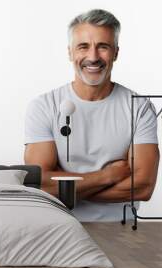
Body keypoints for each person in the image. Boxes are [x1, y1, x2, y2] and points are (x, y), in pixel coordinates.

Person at [24, 9, 159, 221]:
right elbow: (40, 184)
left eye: (103, 47)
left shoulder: (139, 108)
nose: (93, 57)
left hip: (120, 232)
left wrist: (67, 188)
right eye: (83, 46)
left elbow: (142, 187)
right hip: (58, 230)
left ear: (116, 52)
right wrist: (108, 175)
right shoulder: (43, 106)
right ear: (70, 52)